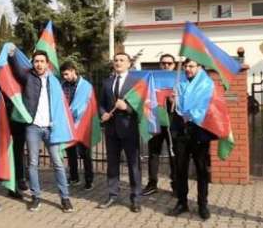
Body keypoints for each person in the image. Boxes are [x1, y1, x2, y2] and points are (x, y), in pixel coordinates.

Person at [8, 48, 74, 213]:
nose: (38, 64)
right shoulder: (28, 77)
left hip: (52, 128)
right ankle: (36, 197)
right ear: (33, 63)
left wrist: (59, 124)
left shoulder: (55, 81)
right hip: (33, 127)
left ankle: (65, 198)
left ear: (47, 63)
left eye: (41, 61)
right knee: (32, 163)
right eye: (36, 61)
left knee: (58, 163)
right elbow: (15, 70)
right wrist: (11, 55)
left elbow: (60, 105)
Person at [168, 59, 215, 220]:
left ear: (199, 67)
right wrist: (171, 100)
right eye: (186, 66)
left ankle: (203, 205)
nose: (187, 69)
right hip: (181, 133)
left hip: (199, 133)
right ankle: (182, 202)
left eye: (191, 66)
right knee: (180, 169)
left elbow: (208, 106)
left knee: (201, 170)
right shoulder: (179, 85)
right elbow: (173, 110)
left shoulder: (207, 85)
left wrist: (191, 115)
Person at [97, 52, 142, 213]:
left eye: (122, 60)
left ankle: (136, 198)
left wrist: (127, 108)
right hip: (111, 131)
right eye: (116, 60)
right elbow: (101, 103)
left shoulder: (137, 82)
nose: (118, 62)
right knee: (112, 165)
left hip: (129, 130)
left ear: (129, 63)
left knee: (133, 165)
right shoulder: (107, 82)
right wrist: (102, 113)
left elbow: (142, 106)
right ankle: (112, 195)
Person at [143, 53, 177, 196]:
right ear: (160, 64)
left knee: (173, 154)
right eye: (163, 63)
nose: (166, 66)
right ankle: (152, 184)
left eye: (169, 63)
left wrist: (175, 99)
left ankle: (176, 185)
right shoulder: (153, 78)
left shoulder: (179, 78)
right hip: (155, 121)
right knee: (153, 154)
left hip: (172, 123)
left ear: (174, 65)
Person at [60, 61, 94, 191]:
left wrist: (70, 113)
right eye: (63, 75)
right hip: (68, 124)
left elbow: (85, 104)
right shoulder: (62, 85)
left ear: (74, 71)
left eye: (67, 74)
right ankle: (74, 177)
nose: (65, 77)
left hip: (82, 123)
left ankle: (89, 180)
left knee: (85, 154)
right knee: (71, 152)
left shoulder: (86, 86)